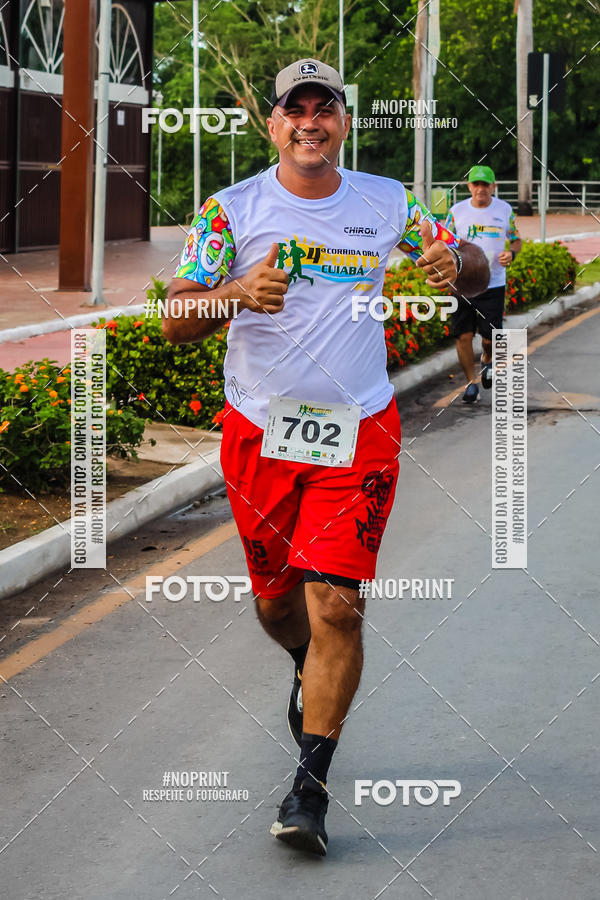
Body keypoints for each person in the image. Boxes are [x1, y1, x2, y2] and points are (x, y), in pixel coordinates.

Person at [164, 58, 488, 856]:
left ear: (343, 122)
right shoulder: (231, 210)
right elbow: (175, 318)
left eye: (325, 109)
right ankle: (306, 666)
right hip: (261, 434)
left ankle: (309, 789)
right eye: (294, 110)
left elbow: (472, 266)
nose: (310, 122)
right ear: (272, 124)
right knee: (281, 609)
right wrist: (234, 294)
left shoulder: (389, 202)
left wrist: (460, 266)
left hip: (360, 431)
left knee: (337, 603)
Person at [445, 165, 522, 402]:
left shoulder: (505, 210)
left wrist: (512, 253)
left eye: (485, 184)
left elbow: (516, 239)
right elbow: (445, 242)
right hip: (461, 285)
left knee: (489, 338)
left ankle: (487, 359)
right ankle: (471, 383)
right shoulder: (456, 212)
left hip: (493, 284)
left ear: (493, 187)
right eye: (476, 184)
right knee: (463, 336)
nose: (481, 189)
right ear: (469, 187)